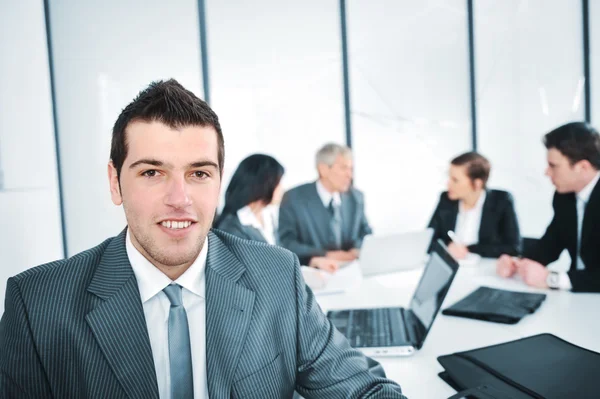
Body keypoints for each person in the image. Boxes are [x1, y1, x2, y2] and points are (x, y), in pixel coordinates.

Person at [0, 80, 406, 398]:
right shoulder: (37, 305)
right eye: (151, 173)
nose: (180, 200)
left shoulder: (276, 276)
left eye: (199, 173)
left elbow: (362, 389)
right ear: (115, 182)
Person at [497, 122, 600, 293]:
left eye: (553, 166)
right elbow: (551, 244)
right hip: (580, 299)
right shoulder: (564, 197)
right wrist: (518, 263)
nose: (546, 173)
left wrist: (552, 279)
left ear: (582, 167)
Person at [278, 143, 372, 273]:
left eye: (351, 169)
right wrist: (325, 254)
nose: (349, 175)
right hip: (313, 275)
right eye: (344, 168)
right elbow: (286, 244)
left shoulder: (356, 197)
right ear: (323, 169)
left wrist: (354, 251)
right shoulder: (293, 198)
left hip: (352, 271)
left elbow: (366, 233)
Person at [428, 152, 521, 260]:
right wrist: (447, 248)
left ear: (477, 184)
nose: (448, 184)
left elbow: (514, 248)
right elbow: (428, 241)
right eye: (449, 178)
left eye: (455, 180)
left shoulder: (501, 201)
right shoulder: (446, 199)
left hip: (486, 270)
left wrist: (468, 249)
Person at [215, 154, 284, 245]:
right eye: (278, 183)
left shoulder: (268, 216)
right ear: (264, 184)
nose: (282, 189)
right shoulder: (231, 228)